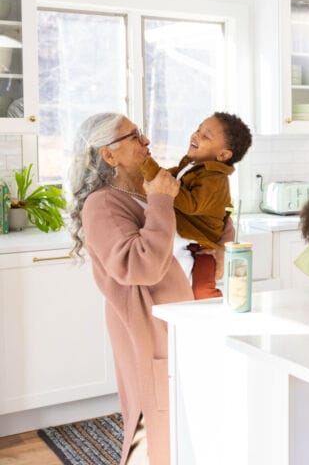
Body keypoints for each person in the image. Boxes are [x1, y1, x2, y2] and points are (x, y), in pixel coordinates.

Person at [68, 113, 233, 465]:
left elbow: (217, 218)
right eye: (133, 137)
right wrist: (160, 201)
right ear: (108, 155)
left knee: (195, 425)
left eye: (141, 133)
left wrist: (220, 248)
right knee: (156, 426)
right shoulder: (104, 204)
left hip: (193, 321)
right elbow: (138, 266)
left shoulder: (157, 185)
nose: (146, 141)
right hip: (151, 330)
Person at [142, 112, 252, 299]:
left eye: (205, 136)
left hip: (203, 243)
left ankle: (214, 315)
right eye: (198, 130)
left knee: (202, 291)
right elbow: (166, 178)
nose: (195, 135)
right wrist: (150, 170)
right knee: (192, 289)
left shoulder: (215, 179)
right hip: (190, 240)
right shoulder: (193, 166)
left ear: (223, 155)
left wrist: (156, 176)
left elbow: (192, 204)